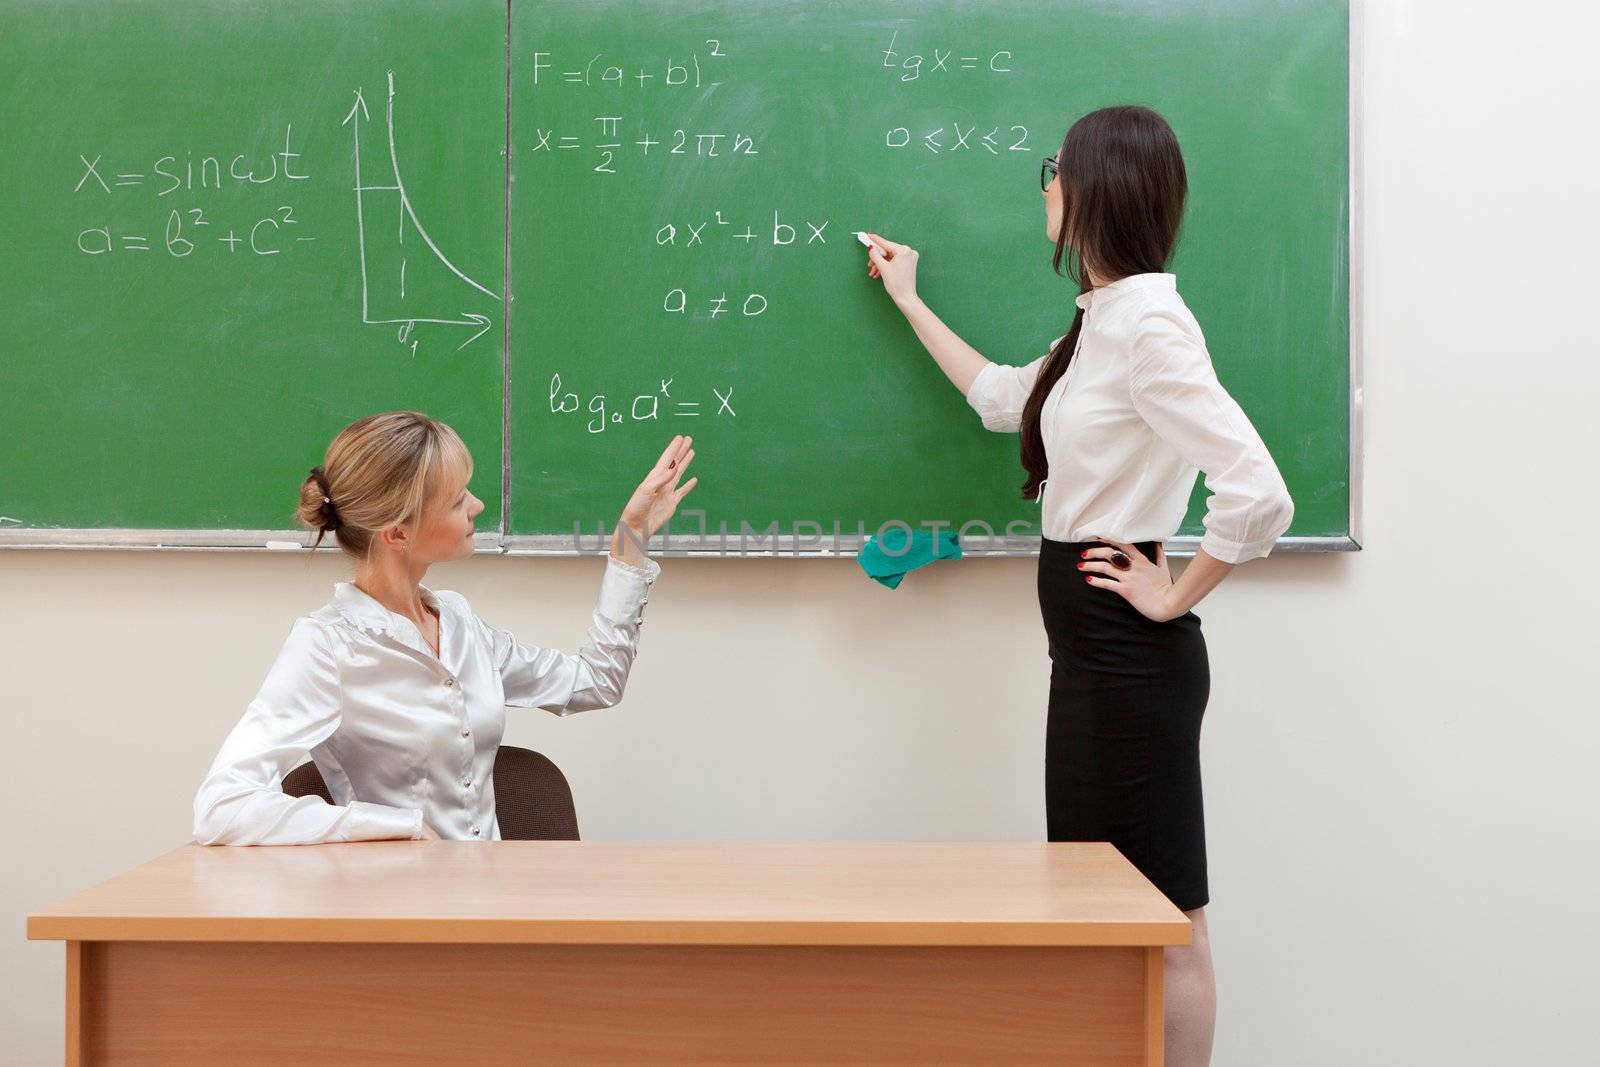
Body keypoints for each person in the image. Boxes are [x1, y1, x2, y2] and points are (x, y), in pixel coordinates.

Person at [863, 105, 1294, 1065]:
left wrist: (1176, 594)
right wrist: (909, 298)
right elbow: (1000, 401)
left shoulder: (1150, 327)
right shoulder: (1102, 321)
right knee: (1101, 910)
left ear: (1098, 187)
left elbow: (1258, 492)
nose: (1046, 182)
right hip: (1094, 662)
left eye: (1057, 166)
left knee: (1165, 917)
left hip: (1130, 660)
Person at [193, 411, 696, 845]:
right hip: (396, 916)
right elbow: (222, 806)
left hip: (491, 905)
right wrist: (390, 826)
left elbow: (596, 682)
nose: (477, 506)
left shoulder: (459, 625)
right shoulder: (327, 646)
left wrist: (631, 539)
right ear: (397, 532)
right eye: (458, 500)